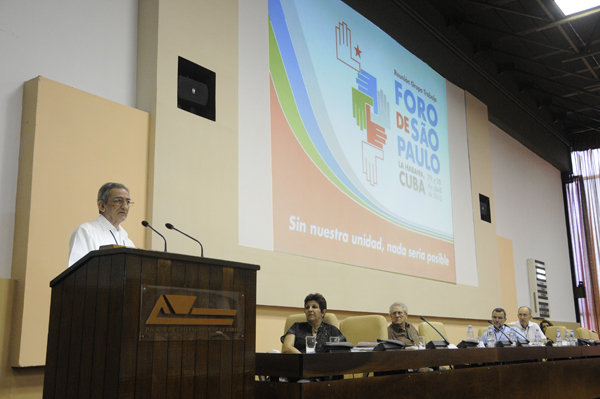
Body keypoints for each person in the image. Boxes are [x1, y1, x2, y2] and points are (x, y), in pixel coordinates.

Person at [68, 182, 136, 266]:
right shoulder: (86, 232)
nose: (125, 207)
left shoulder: (127, 241)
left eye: (128, 202)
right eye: (118, 201)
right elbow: (76, 272)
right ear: (101, 205)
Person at [281, 293, 345, 353]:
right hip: (300, 362)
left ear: (323, 312)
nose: (310, 310)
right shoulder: (296, 327)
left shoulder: (332, 330)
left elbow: (344, 350)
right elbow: (287, 348)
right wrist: (304, 359)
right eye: (307, 307)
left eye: (314, 307)